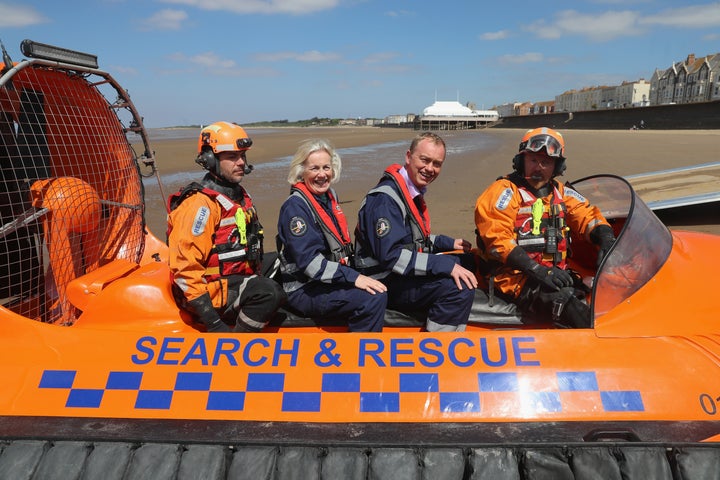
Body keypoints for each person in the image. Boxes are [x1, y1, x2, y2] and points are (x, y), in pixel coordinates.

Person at [473, 127, 616, 328]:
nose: (538, 167)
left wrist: (605, 236)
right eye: (533, 160)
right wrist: (537, 270)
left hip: (552, 273)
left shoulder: (561, 192)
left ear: (557, 167)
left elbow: (587, 215)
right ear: (521, 161)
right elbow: (497, 239)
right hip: (514, 280)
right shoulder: (504, 192)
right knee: (572, 309)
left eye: (546, 162)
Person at [167, 121, 286, 333]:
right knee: (269, 292)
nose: (241, 162)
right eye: (232, 157)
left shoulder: (236, 195)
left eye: (242, 156)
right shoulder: (199, 205)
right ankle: (238, 339)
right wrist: (214, 324)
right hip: (205, 295)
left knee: (282, 261)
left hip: (231, 278)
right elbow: (185, 270)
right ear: (210, 159)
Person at [354, 132, 478, 332]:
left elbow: (411, 239)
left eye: (436, 163)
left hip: (395, 273)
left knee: (469, 261)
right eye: (425, 160)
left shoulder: (408, 191)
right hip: (382, 281)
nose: (430, 169)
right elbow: (391, 256)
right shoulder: (385, 200)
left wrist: (447, 243)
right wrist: (443, 264)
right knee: (459, 287)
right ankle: (438, 349)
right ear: (408, 156)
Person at [276, 139, 387, 332]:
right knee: (373, 297)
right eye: (314, 168)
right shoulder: (295, 208)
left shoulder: (328, 197)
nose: (322, 174)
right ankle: (360, 356)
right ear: (301, 172)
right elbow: (309, 263)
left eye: (326, 167)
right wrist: (354, 278)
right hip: (304, 289)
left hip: (326, 280)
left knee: (382, 283)